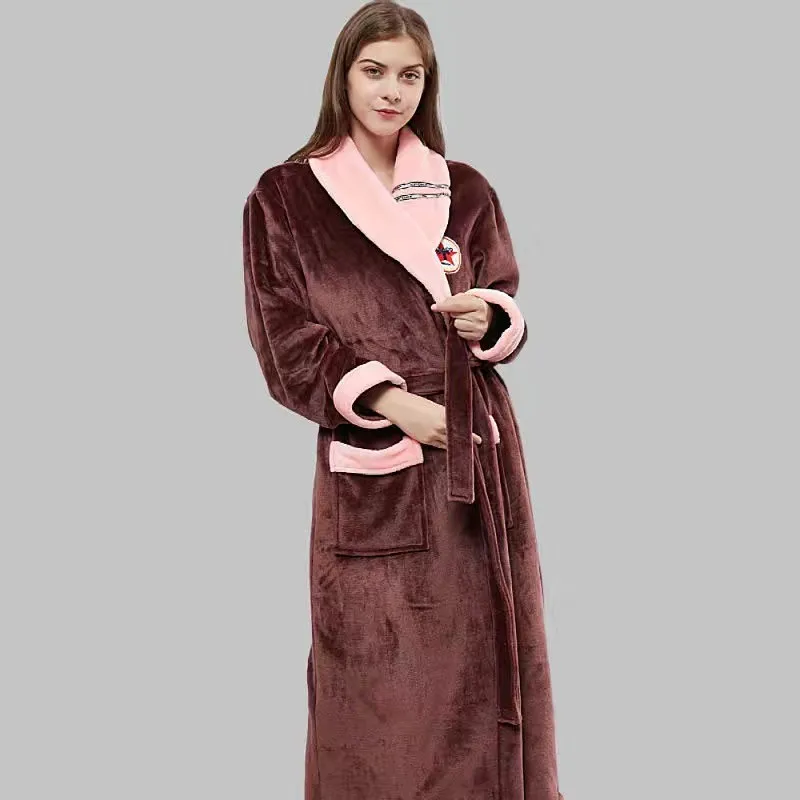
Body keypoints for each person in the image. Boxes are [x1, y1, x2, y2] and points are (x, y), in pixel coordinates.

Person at [242, 2, 565, 797]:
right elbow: (284, 342)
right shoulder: (285, 196)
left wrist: (493, 318)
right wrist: (393, 402)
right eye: (375, 71)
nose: (392, 91)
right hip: (378, 457)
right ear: (343, 76)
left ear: (429, 84)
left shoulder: (466, 188)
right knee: (373, 680)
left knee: (485, 667)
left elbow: (504, 301)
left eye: (410, 76)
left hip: (477, 453)